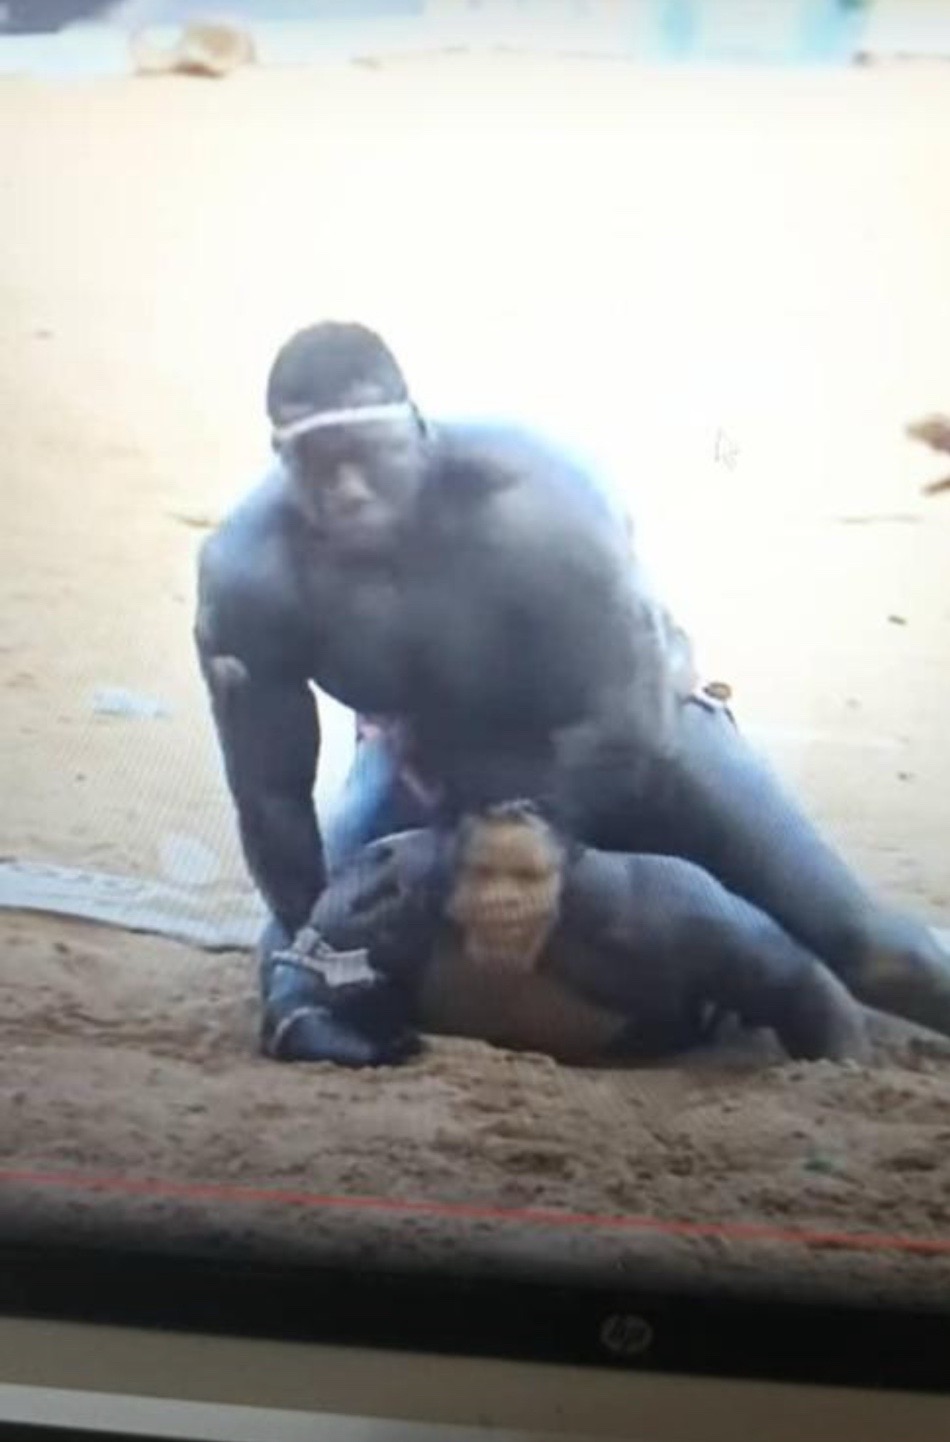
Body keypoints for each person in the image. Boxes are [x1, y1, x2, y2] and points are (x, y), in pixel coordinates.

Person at [195, 320, 950, 1065]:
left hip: (630, 741)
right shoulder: (251, 572)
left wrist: (540, 834)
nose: (348, 490)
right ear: (281, 459)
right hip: (428, 762)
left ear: (416, 433)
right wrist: (318, 950)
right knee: (301, 953)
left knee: (872, 951)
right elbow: (270, 799)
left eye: (369, 457)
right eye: (316, 467)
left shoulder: (536, 503)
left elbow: (634, 714)